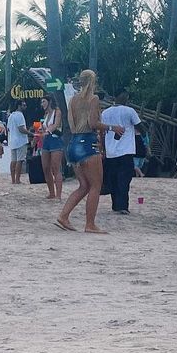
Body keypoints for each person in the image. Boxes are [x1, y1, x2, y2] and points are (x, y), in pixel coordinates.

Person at [57, 70, 123, 234]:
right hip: (88, 144)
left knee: (84, 186)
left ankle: (64, 216)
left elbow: (72, 123)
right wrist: (112, 127)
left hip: (73, 143)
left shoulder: (73, 100)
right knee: (95, 186)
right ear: (93, 82)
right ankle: (90, 224)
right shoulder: (93, 99)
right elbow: (93, 123)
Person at [104, 90, 141, 214]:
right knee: (124, 179)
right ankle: (123, 206)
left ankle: (115, 205)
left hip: (110, 151)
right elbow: (140, 126)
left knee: (114, 179)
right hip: (126, 150)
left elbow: (102, 130)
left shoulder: (105, 112)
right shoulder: (130, 111)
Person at [38, 93, 63, 201]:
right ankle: (51, 192)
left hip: (55, 140)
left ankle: (58, 195)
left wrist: (47, 130)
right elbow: (45, 128)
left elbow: (56, 125)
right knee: (46, 168)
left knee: (56, 168)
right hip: (46, 140)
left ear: (49, 101)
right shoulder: (46, 114)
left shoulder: (57, 112)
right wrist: (42, 130)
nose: (42, 104)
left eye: (44, 101)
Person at [3, 99, 29, 185]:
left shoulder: (11, 115)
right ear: (19, 106)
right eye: (24, 105)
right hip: (20, 140)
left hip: (12, 140)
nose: (25, 107)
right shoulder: (20, 115)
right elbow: (21, 129)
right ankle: (17, 180)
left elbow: (8, 129)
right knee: (20, 160)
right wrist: (31, 133)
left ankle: (13, 180)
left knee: (13, 160)